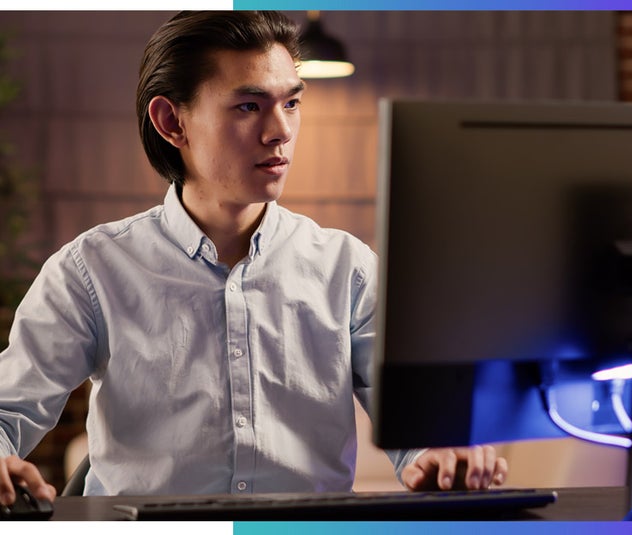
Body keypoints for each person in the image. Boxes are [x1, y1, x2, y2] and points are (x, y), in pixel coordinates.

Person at [0, 11, 507, 506]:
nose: (280, 131)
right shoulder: (90, 271)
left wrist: (441, 453)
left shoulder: (348, 270)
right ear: (171, 121)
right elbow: (7, 412)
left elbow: (420, 426)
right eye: (249, 106)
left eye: (291, 103)